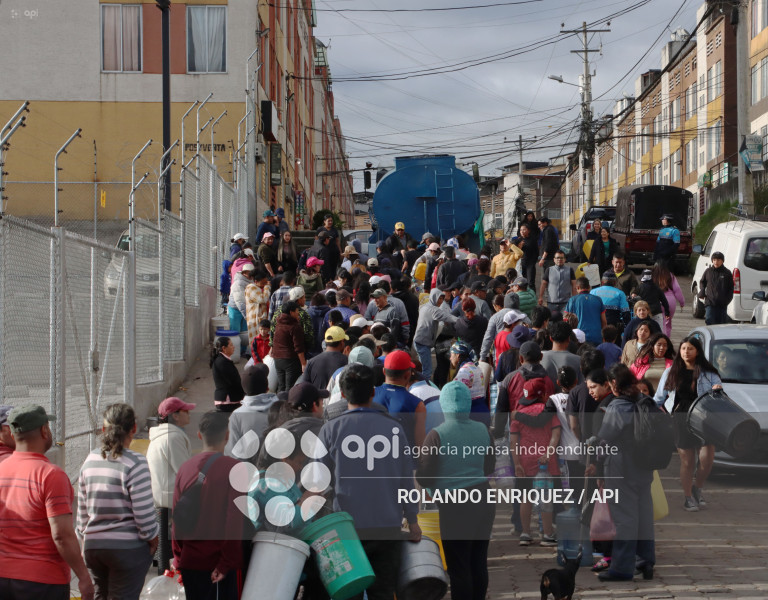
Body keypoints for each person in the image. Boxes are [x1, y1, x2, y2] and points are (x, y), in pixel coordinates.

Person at [319, 365, 421, 600]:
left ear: (343, 395)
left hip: (346, 528)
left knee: (348, 592)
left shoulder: (330, 430)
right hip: (387, 525)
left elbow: (319, 482)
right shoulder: (394, 429)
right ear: (373, 392)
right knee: (384, 592)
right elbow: (406, 478)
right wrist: (413, 519)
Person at [0, 405, 95, 600]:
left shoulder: (2, 469)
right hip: (42, 581)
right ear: (44, 430)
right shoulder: (51, 475)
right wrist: (84, 577)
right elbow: (61, 535)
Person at [416, 381, 496, 600]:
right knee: (478, 561)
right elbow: (489, 467)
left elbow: (424, 475)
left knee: (459, 566)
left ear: (444, 405)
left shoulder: (437, 434)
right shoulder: (483, 431)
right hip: (483, 498)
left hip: (455, 505)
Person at [77, 404, 159, 600]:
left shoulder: (90, 460)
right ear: (133, 428)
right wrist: (153, 539)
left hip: (94, 548)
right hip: (127, 550)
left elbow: (82, 517)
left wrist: (85, 541)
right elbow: (145, 517)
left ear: (103, 429)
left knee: (101, 595)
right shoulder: (136, 463)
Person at [591, 364, 655, 582]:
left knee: (625, 518)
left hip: (621, 467)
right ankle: (645, 561)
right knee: (644, 515)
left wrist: (597, 465)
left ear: (614, 384)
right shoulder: (645, 401)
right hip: (645, 467)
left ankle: (622, 568)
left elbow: (605, 439)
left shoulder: (618, 407)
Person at [173, 412, 242, 600]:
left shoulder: (185, 468)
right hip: (216, 564)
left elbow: (177, 517)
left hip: (190, 561)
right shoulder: (234, 469)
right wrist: (226, 563)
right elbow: (234, 521)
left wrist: (179, 558)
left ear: (199, 435)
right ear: (227, 436)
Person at [655, 336, 723, 512]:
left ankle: (697, 488)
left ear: (697, 351)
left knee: (707, 460)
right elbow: (659, 398)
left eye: (690, 349)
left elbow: (719, 395)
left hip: (705, 419)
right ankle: (688, 497)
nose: (686, 352)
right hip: (680, 418)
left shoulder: (709, 373)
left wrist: (717, 391)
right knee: (687, 462)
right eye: (684, 348)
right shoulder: (671, 372)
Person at [147, 396, 196, 574]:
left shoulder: (161, 435)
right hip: (170, 496)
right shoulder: (173, 438)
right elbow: (185, 470)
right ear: (175, 416)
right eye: (185, 411)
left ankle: (164, 567)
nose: (189, 413)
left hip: (161, 493)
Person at [510, 378, 560, 547]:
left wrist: (516, 463)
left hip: (524, 459)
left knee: (526, 496)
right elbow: (556, 435)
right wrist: (548, 452)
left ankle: (525, 533)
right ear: (544, 394)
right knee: (546, 498)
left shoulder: (519, 411)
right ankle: (547, 534)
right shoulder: (548, 410)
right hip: (545, 461)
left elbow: (513, 442)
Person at [224, 365, 279, 458]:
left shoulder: (237, 415)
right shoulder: (280, 408)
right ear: (267, 387)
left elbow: (232, 451)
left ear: (243, 388)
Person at [374, 350, 427, 446]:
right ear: (408, 375)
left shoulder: (368, 395)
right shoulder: (418, 405)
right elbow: (420, 446)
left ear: (384, 371)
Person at [413, 287, 459, 381]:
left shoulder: (424, 306)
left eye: (442, 298)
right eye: (439, 298)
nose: (441, 301)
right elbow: (448, 317)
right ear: (434, 297)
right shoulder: (434, 310)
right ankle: (425, 390)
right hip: (423, 342)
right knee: (427, 371)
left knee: (423, 368)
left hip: (419, 340)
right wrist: (462, 321)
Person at [450, 340, 490, 426]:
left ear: (458, 355)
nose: (450, 358)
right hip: (483, 411)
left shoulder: (464, 372)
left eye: (451, 354)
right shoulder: (475, 368)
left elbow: (456, 397)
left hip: (472, 416)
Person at [272, 300, 307, 391]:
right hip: (290, 360)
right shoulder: (295, 327)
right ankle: (288, 405)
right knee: (290, 388)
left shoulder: (278, 324)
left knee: (281, 386)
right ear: (291, 312)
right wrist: (303, 363)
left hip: (277, 359)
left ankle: (280, 404)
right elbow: (299, 347)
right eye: (297, 311)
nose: (298, 313)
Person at [540, 321, 583, 390]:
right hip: (571, 399)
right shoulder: (579, 360)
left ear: (551, 338)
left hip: (546, 399)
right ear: (569, 339)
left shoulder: (541, 358)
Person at [564, 277, 606, 345]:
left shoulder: (573, 300)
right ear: (589, 287)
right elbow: (604, 321)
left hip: (578, 338)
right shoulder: (598, 299)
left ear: (577, 287)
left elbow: (566, 320)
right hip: (596, 338)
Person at [698, 251, 733, 325]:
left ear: (722, 261)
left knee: (720, 325)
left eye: (718, 260)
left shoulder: (727, 273)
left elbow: (731, 288)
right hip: (710, 302)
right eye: (714, 260)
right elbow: (702, 282)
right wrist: (702, 291)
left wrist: (726, 301)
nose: (716, 262)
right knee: (709, 321)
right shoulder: (708, 271)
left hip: (722, 304)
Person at [210, 337, 245, 411]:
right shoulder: (223, 362)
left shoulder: (222, 360)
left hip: (226, 399)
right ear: (224, 348)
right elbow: (234, 382)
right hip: (227, 400)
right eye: (231, 345)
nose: (233, 347)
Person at [652, 262, 685, 337]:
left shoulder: (652, 276)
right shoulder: (670, 276)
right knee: (667, 324)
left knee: (656, 322)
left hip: (656, 301)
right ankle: (666, 340)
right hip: (670, 301)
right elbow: (677, 290)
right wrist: (682, 302)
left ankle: (656, 339)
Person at [228, 262, 254, 357]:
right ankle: (234, 352)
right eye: (250, 273)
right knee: (235, 331)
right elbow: (240, 301)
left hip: (245, 309)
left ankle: (241, 351)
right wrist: (246, 315)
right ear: (244, 273)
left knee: (244, 332)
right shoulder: (238, 283)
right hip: (235, 309)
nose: (251, 276)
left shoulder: (250, 281)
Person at [245, 268, 271, 346]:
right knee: (256, 343)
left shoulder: (258, 288)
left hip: (259, 318)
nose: (264, 285)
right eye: (263, 283)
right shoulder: (251, 287)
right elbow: (263, 299)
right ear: (256, 281)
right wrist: (267, 287)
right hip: (255, 319)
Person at [517, 223, 539, 288]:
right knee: (522, 282)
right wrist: (520, 246)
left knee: (530, 282)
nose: (522, 231)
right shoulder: (519, 240)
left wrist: (533, 262)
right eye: (521, 230)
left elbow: (536, 252)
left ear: (528, 230)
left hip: (530, 264)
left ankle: (532, 297)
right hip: (521, 263)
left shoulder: (533, 239)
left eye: (524, 229)